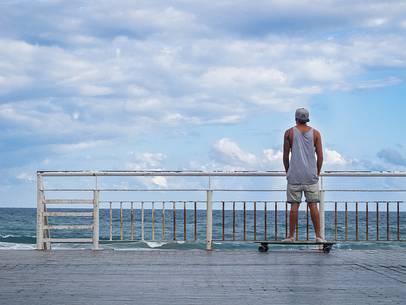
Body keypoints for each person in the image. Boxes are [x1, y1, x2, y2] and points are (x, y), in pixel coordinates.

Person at [282, 108, 325, 242]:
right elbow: (321, 157)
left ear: (296, 118)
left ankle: (290, 236)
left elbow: (285, 156)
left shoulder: (289, 133)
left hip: (294, 175)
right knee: (313, 205)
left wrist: (288, 171)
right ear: (307, 119)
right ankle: (318, 236)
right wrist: (316, 172)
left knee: (294, 205)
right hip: (311, 176)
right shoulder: (316, 133)